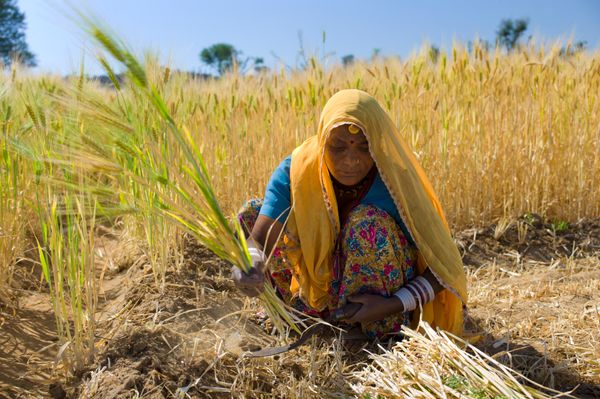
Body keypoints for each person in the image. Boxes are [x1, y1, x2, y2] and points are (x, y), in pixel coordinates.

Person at [232, 89, 467, 340]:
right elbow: (259, 238)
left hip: (379, 307)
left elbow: (445, 269)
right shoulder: (297, 171)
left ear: (377, 143)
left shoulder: (396, 183)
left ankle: (374, 331)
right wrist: (249, 264)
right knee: (251, 213)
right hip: (317, 292)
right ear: (323, 140)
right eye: (338, 146)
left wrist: (393, 304)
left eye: (364, 148)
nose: (350, 160)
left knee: (367, 225)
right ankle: (302, 314)